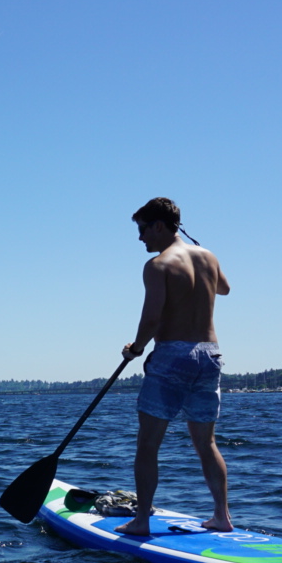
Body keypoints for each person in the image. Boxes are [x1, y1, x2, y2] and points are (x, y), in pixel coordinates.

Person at [115, 198, 232, 535]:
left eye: (142, 229)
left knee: (148, 444)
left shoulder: (158, 265)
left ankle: (140, 522)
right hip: (210, 355)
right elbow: (224, 288)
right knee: (206, 443)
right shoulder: (208, 256)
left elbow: (152, 317)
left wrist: (135, 349)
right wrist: (197, 249)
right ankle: (222, 517)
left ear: (159, 226)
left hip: (172, 355)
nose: (140, 239)